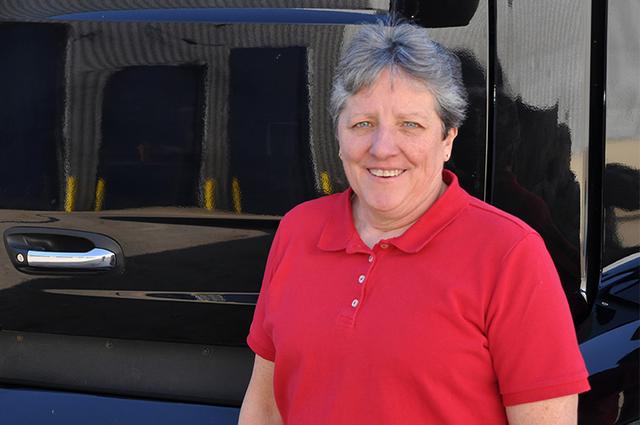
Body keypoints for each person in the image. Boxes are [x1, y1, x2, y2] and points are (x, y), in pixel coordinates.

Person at [239, 22, 590, 425]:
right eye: (362, 124)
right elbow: (264, 407)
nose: (383, 148)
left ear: (447, 140)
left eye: (411, 125)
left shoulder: (510, 253)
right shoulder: (299, 230)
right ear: (338, 135)